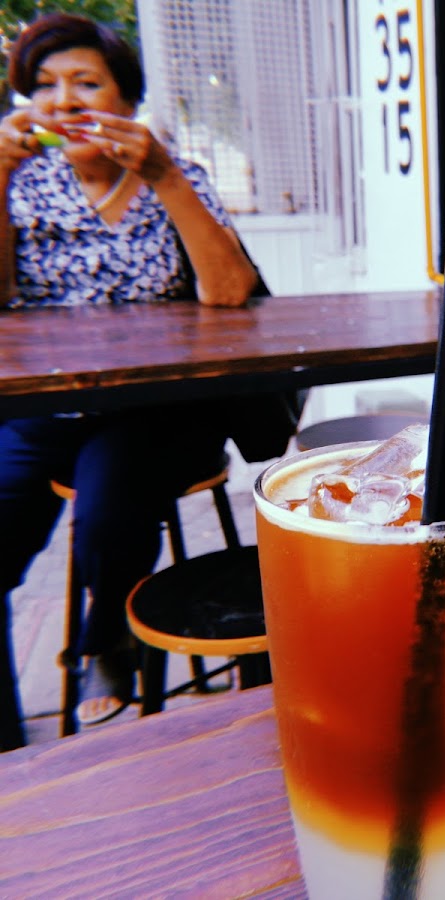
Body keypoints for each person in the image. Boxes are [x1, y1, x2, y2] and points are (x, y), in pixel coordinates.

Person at [0, 13, 292, 749]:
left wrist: (163, 175)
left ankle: (106, 636)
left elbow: (229, 293)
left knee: (108, 503)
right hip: (47, 403)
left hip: (155, 403)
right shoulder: (22, 181)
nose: (63, 101)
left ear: (127, 100)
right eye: (44, 86)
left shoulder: (174, 174)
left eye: (85, 83)